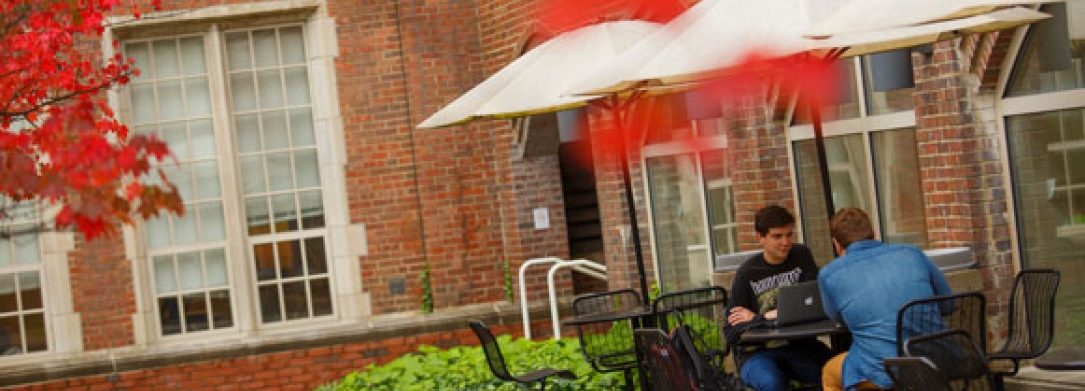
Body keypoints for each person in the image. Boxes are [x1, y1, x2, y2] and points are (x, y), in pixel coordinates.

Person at [819, 208, 952, 390]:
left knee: (830, 372)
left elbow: (839, 320)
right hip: (938, 358)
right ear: (874, 234)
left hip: (885, 367)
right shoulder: (913, 253)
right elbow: (948, 304)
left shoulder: (829, 274)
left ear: (836, 244)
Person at [726, 205, 832, 391]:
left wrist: (760, 317)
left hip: (801, 347)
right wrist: (765, 319)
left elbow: (816, 302)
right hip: (757, 354)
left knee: (836, 371)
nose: (786, 242)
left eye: (789, 235)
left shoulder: (802, 256)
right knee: (771, 383)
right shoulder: (746, 274)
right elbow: (731, 332)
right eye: (777, 236)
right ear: (761, 238)